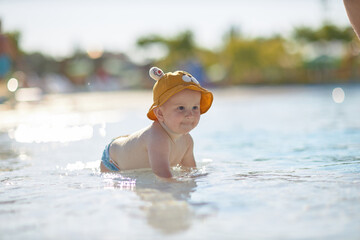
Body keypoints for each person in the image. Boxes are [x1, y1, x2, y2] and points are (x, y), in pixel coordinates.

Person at [100, 67, 213, 179]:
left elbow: (191, 171)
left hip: (132, 146)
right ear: (160, 113)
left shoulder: (187, 141)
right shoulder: (158, 138)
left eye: (195, 107)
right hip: (113, 161)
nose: (190, 115)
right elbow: (162, 174)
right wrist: (177, 185)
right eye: (181, 108)